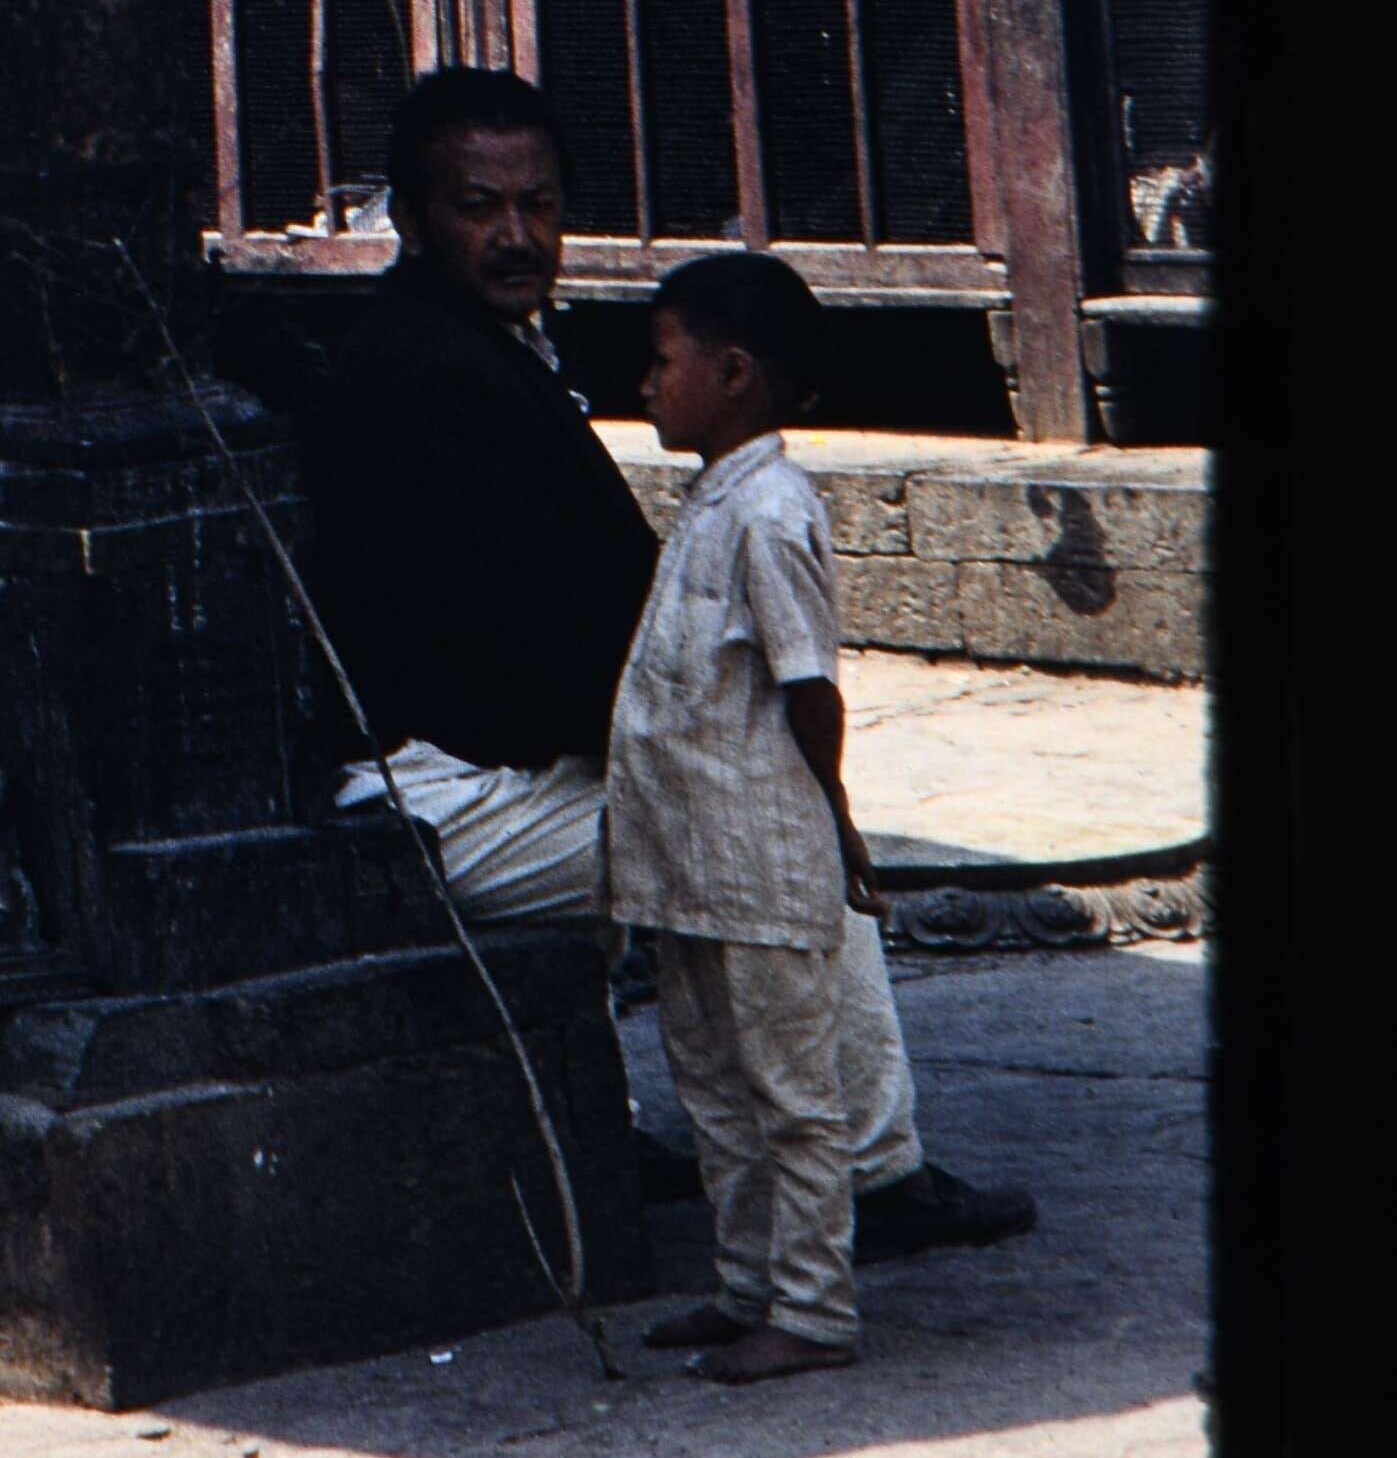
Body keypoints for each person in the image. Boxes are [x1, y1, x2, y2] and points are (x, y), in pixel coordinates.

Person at [297, 65, 1027, 1258]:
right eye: (478, 207)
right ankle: (870, 1175)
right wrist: (713, 763)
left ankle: (690, 1138)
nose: (515, 234)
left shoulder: (476, 348)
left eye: (537, 203)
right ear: (413, 220)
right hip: (444, 794)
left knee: (727, 818)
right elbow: (535, 643)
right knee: (791, 851)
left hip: (499, 759)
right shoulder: (423, 373)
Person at [610, 249, 894, 1387]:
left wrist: (836, 816)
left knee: (790, 1095)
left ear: (730, 374)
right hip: (687, 856)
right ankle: (743, 1287)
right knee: (715, 1090)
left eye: (660, 360)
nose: (645, 382)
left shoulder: (771, 511)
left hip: (759, 855)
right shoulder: (710, 501)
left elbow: (807, 685)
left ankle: (812, 1308)